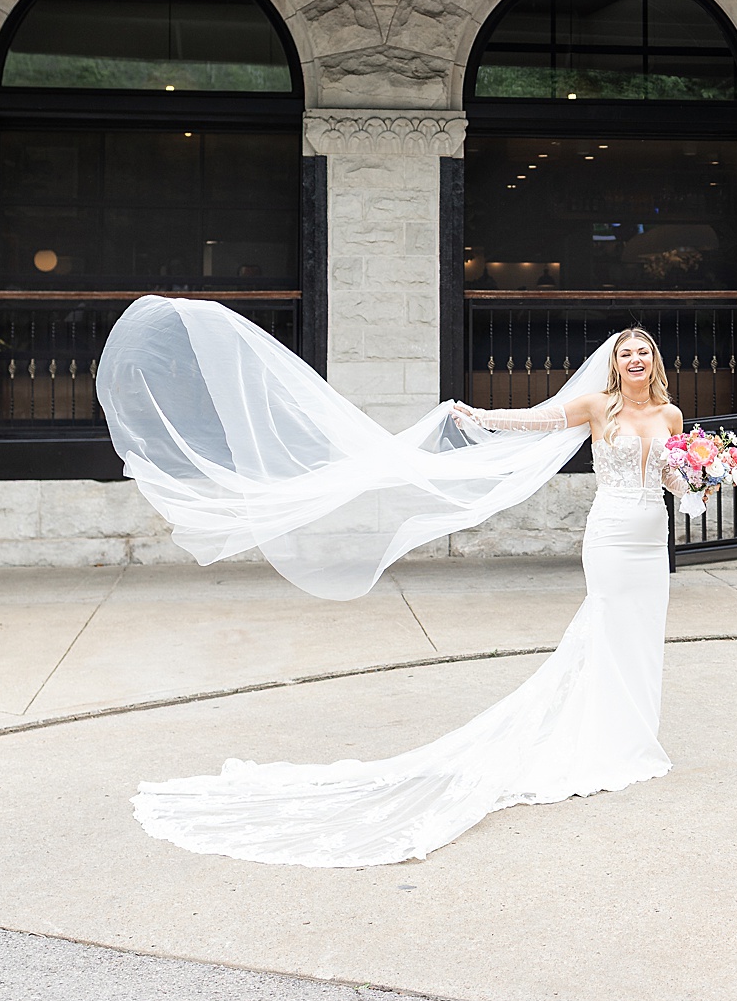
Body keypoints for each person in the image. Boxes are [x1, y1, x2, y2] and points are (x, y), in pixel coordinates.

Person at [96, 301, 689, 868]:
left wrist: (701, 483)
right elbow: (535, 421)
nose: (634, 360)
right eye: (626, 352)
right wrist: (480, 417)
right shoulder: (595, 408)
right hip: (609, 535)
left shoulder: (670, 417)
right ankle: (604, 740)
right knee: (605, 626)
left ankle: (633, 735)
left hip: (649, 533)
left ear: (654, 364)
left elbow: (672, 476)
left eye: (643, 353)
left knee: (642, 633)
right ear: (615, 364)